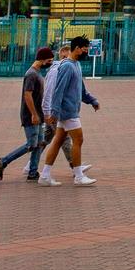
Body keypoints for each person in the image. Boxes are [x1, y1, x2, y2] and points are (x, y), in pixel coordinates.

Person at [39, 36, 100, 187]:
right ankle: (79, 176)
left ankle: (45, 175)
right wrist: (54, 111)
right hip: (68, 111)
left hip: (69, 110)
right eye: (85, 48)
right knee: (78, 140)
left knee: (58, 140)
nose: (87, 51)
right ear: (77, 48)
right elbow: (59, 90)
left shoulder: (76, 65)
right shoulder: (67, 66)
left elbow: (81, 89)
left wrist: (91, 100)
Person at [0, 47, 55, 181]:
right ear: (43, 59)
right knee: (31, 144)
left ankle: (33, 172)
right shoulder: (31, 74)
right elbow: (27, 95)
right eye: (49, 61)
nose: (50, 63)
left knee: (39, 143)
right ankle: (4, 161)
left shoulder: (37, 73)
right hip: (30, 116)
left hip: (38, 115)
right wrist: (34, 114)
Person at [40, 43, 80, 177]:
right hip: (56, 112)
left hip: (57, 111)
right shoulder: (57, 69)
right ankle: (76, 169)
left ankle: (31, 167)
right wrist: (49, 112)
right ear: (63, 53)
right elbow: (51, 92)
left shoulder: (71, 66)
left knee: (44, 140)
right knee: (66, 140)